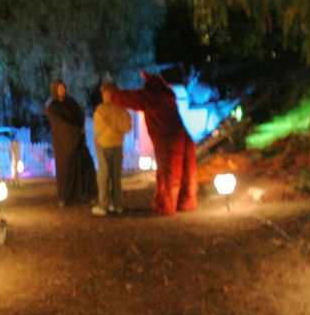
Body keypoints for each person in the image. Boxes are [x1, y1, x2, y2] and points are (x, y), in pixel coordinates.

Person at [111, 71, 197, 216]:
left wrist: (112, 95)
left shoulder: (151, 96)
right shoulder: (168, 96)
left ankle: (166, 205)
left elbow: (129, 98)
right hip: (184, 136)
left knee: (169, 173)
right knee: (186, 172)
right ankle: (186, 202)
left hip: (168, 139)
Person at [45, 79, 97, 206]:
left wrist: (80, 129)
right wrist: (75, 130)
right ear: (55, 90)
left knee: (85, 166)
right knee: (66, 171)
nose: (62, 90)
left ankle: (85, 194)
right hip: (63, 145)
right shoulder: (53, 107)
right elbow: (59, 125)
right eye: (60, 88)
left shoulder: (71, 102)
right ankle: (65, 197)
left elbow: (80, 115)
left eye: (63, 88)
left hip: (78, 142)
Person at [92, 82, 132, 216]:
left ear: (107, 94)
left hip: (103, 144)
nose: (103, 95)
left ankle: (103, 205)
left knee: (103, 176)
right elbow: (127, 127)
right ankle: (117, 205)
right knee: (116, 176)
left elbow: (99, 128)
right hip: (118, 144)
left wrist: (101, 134)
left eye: (104, 93)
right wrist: (117, 129)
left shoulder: (101, 109)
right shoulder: (122, 110)